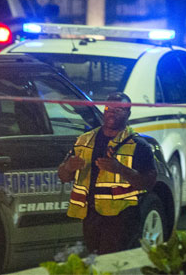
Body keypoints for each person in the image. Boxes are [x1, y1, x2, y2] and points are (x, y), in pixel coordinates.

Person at [58, 92, 157, 255]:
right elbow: (62, 176)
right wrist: (68, 167)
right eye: (108, 108)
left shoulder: (139, 145)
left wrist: (120, 169)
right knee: (95, 261)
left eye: (118, 109)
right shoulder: (84, 140)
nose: (111, 112)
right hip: (90, 216)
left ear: (128, 114)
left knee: (112, 263)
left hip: (122, 218)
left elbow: (149, 182)